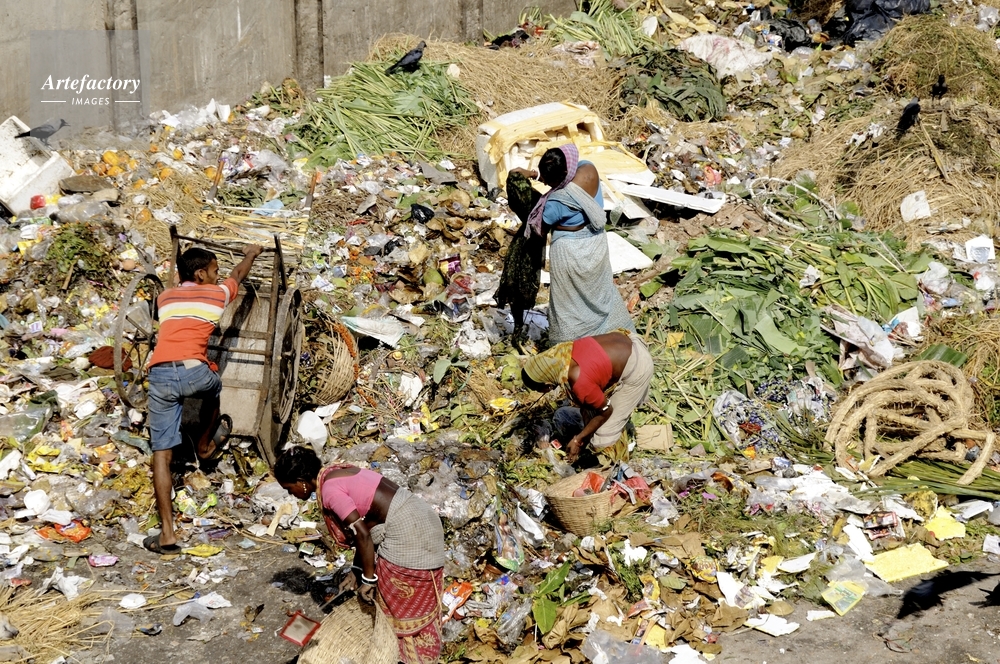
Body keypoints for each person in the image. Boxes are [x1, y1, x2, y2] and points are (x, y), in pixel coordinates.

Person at [143, 244, 262, 554]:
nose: (217, 276)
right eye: (213, 271)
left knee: (161, 454)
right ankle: (205, 445)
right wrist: (250, 254)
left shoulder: (165, 298)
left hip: (159, 374)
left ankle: (167, 533)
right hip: (194, 373)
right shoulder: (216, 294)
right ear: (199, 274)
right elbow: (238, 273)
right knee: (213, 388)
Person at [275, 446, 446, 664]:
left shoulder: (330, 491)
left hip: (409, 534)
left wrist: (368, 579)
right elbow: (367, 524)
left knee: (397, 606)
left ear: (301, 481)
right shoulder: (336, 472)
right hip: (422, 519)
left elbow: (363, 534)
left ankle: (408, 657)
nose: (291, 494)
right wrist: (357, 570)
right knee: (405, 600)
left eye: (289, 489)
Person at [517, 143, 635, 344]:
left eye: (548, 181)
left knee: (569, 304)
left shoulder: (556, 202)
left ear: (561, 176)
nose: (546, 184)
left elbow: (540, 228)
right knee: (600, 294)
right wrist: (535, 174)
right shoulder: (589, 168)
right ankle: (611, 336)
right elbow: (565, 180)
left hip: (570, 255)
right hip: (596, 246)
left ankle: (573, 345)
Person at [522, 330, 653, 463]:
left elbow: (606, 410)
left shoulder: (578, 380)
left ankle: (615, 464)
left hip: (637, 366)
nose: (542, 392)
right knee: (565, 414)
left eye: (538, 389)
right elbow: (587, 404)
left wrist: (578, 440)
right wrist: (584, 436)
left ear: (547, 383)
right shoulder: (563, 355)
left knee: (602, 437)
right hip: (624, 345)